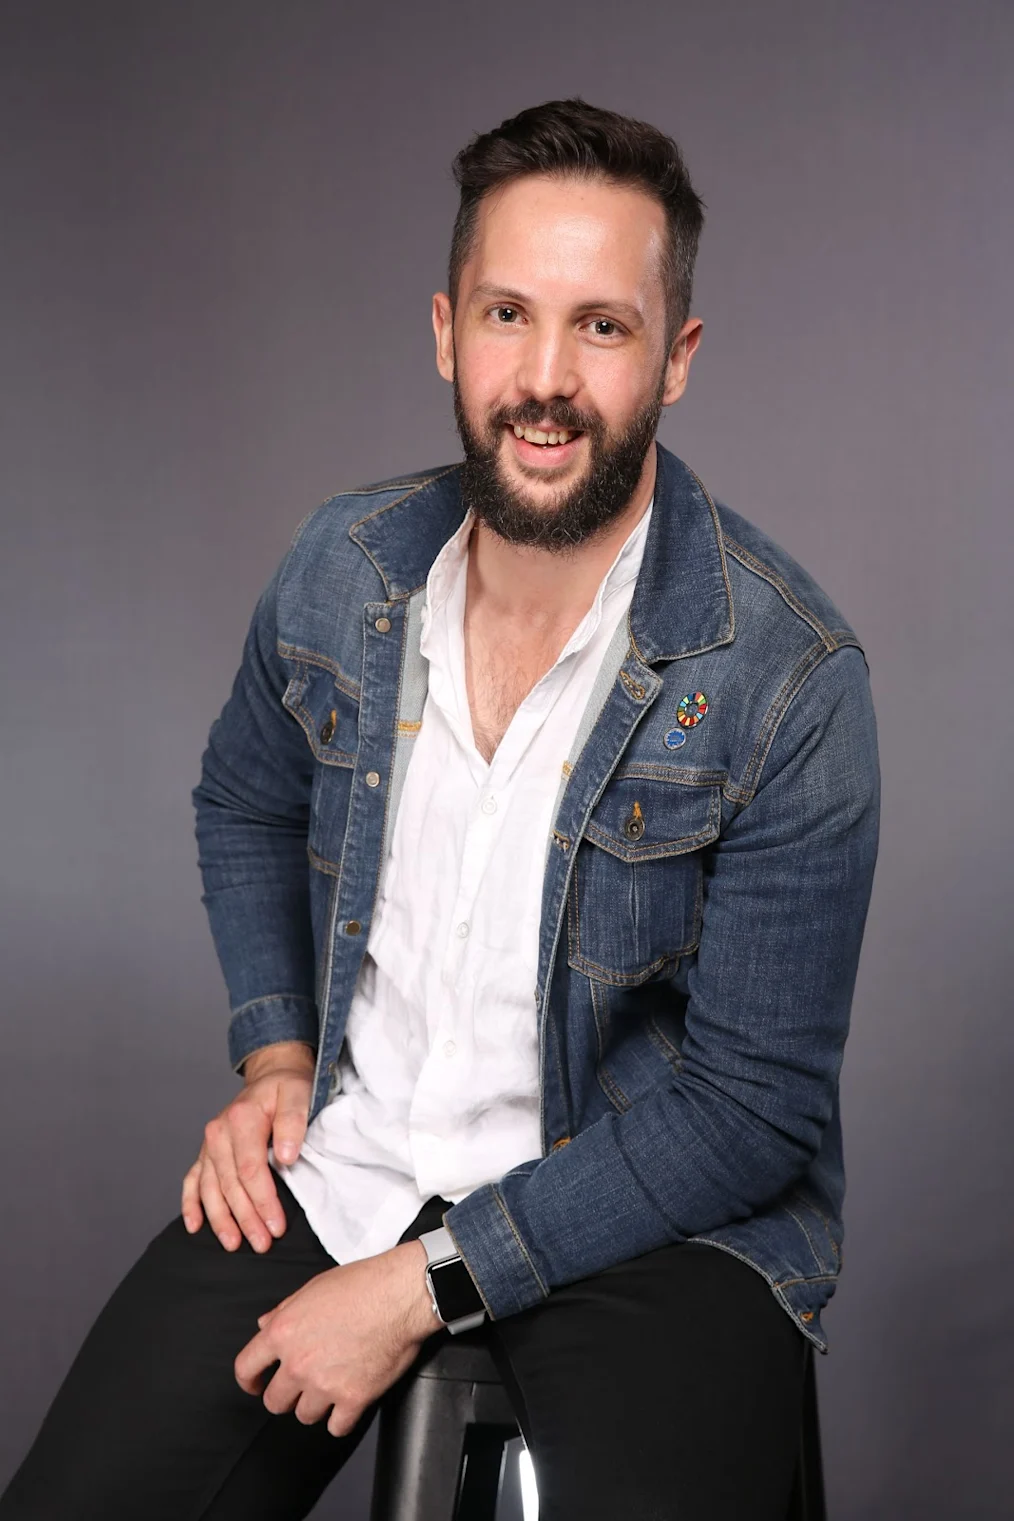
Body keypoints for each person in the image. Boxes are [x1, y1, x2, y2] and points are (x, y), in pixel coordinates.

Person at [0, 97, 880, 1520]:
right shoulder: (341, 569)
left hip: (644, 1219)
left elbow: (746, 1114)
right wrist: (275, 1059)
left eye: (602, 327)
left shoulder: (788, 675)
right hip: (355, 1165)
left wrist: (420, 1287)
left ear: (676, 356)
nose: (545, 378)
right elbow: (242, 797)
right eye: (506, 315)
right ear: (443, 331)